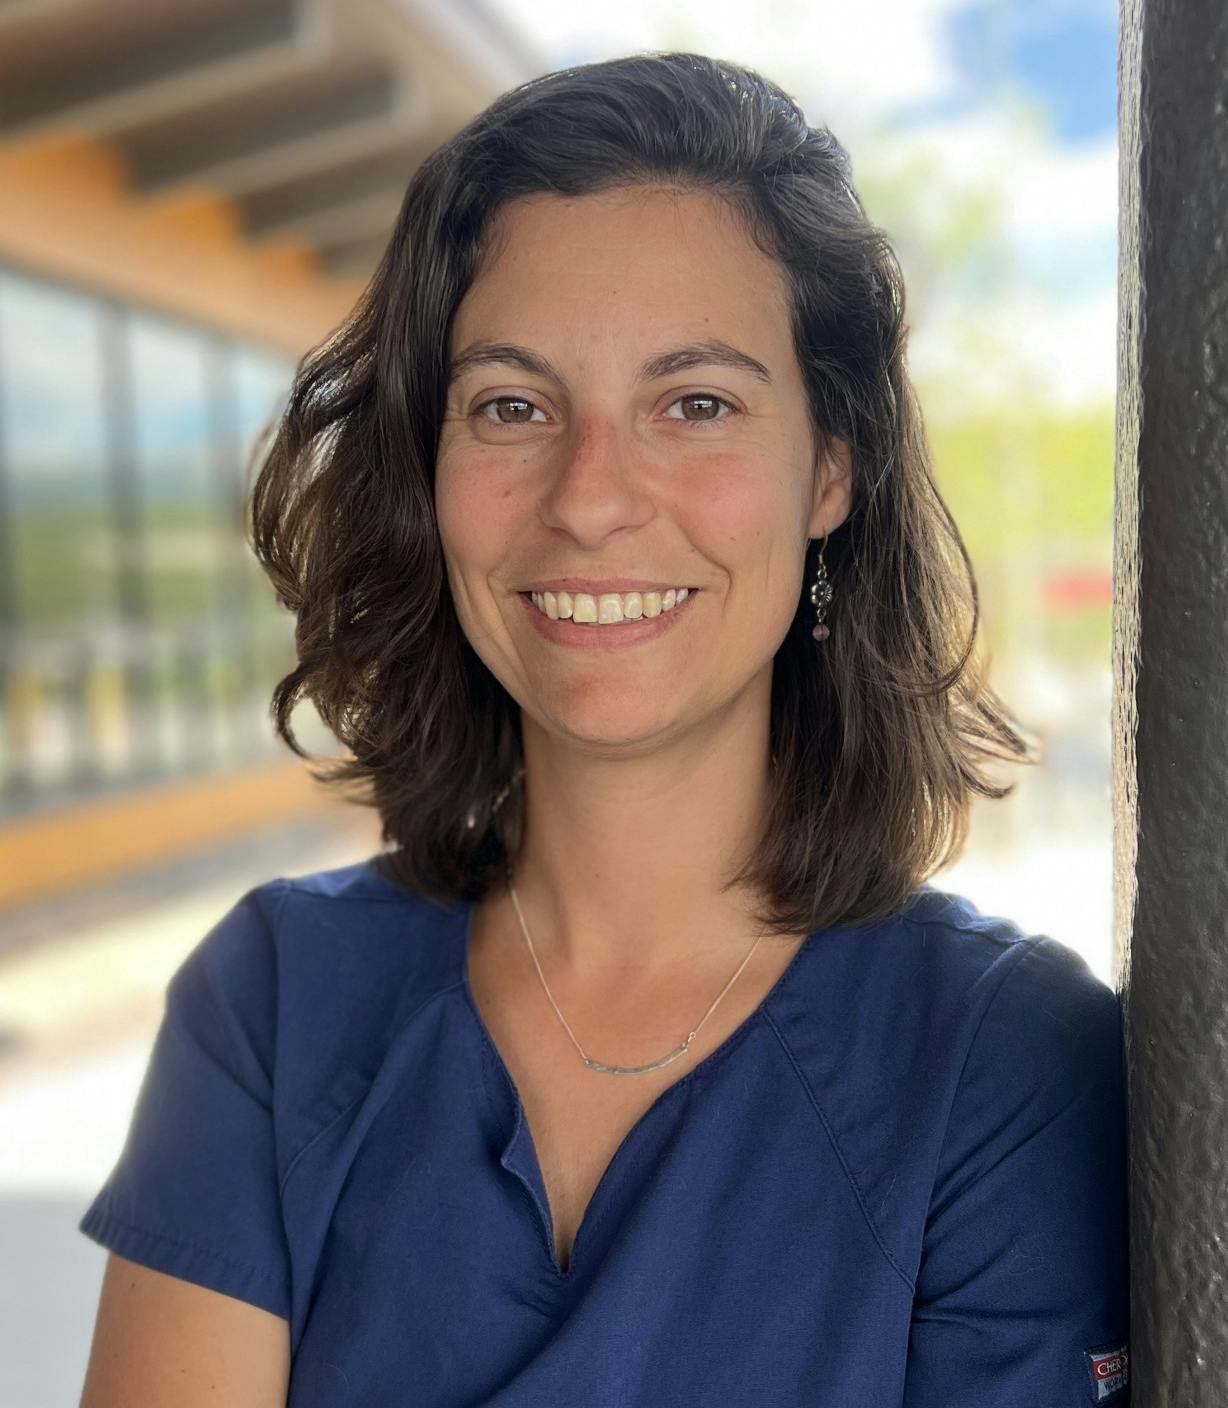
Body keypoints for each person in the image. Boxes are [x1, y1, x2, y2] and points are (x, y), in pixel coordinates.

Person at [76, 50, 1130, 1408]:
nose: (588, 497)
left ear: (830, 470)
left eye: (695, 404)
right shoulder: (274, 1007)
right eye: (513, 407)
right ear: (429, 465)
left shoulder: (1002, 1064)